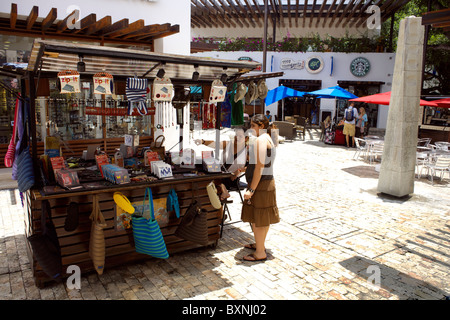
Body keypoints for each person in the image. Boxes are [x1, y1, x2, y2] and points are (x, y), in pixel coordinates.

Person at [241, 114, 280, 262]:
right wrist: (244, 170)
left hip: (261, 185)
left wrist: (251, 190)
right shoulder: (269, 138)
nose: (250, 129)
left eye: (253, 126)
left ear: (261, 126)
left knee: (258, 220)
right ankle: (260, 245)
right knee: (263, 218)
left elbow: (260, 167)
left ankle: (260, 252)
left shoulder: (261, 140)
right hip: (266, 183)